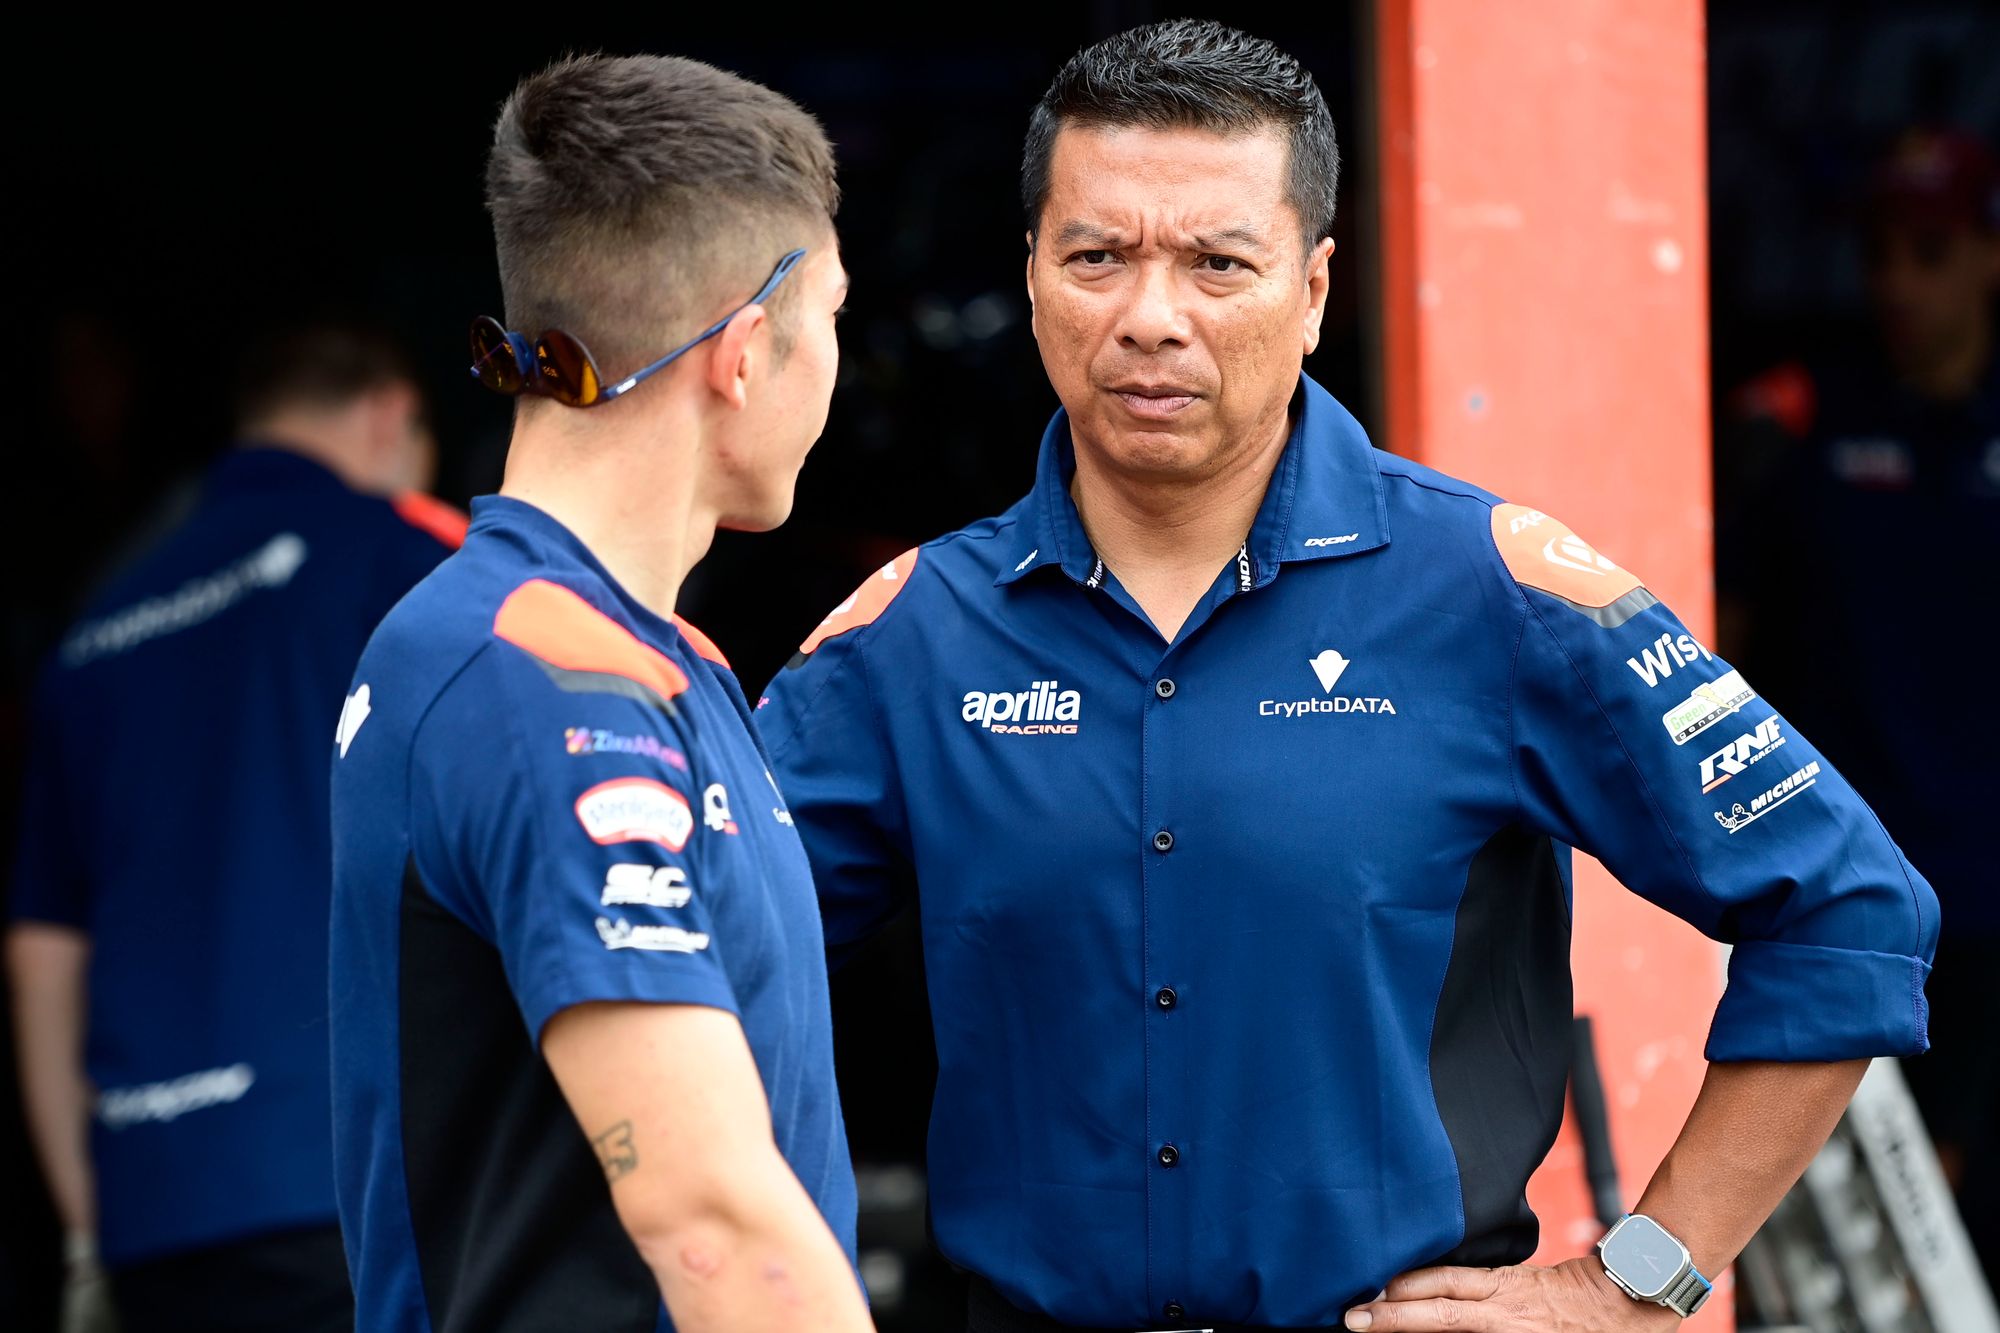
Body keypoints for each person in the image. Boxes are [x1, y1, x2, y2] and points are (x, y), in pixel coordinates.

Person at [760, 21, 1939, 1333]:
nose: (1150, 318)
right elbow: (688, 966)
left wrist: (1633, 1284)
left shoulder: (1491, 594)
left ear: (1315, 289)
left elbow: (1846, 909)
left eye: (1218, 263)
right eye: (1096, 257)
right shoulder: (913, 638)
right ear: (1032, 275)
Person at [327, 54, 872, 1332]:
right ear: (745, 352)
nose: (838, 361)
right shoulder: (538, 676)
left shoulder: (641, 661)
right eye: (834, 313)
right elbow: (710, 1222)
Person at [6, 321, 458, 1333]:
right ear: (391, 415)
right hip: (348, 1179)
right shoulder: (400, 553)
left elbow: (40, 954)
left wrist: (87, 1229)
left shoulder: (95, 630)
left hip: (153, 1207)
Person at [1721, 127, 1999, 1280]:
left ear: (1985, 255)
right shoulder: (1800, 422)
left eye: (1926, 251)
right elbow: (1714, 637)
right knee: (1826, 1228)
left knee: (1937, 1223)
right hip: (1835, 883)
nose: (1896, 281)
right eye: (1878, 252)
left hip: (1982, 897)